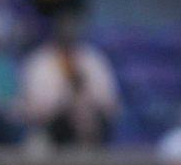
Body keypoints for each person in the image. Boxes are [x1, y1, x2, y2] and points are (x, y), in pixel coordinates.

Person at [20, 15, 120, 147]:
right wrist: (66, 99)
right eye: (64, 35)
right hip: (54, 123)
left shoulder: (92, 58)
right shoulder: (39, 62)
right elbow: (34, 108)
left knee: (88, 116)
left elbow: (110, 102)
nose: (68, 39)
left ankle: (92, 155)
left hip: (92, 118)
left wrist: (84, 101)